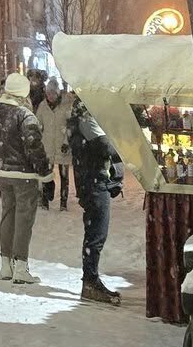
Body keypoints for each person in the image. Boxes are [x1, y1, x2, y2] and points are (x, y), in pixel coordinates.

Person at [0, 71, 53, 284]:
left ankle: (6, 265)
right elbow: (33, 146)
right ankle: (21, 267)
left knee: (7, 216)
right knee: (24, 220)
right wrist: (46, 173)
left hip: (1, 173)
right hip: (24, 175)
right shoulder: (25, 115)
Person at [68, 96, 126, 305]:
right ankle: (90, 282)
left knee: (97, 232)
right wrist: (121, 141)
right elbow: (105, 147)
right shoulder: (85, 113)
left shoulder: (90, 112)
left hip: (95, 179)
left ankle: (90, 280)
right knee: (96, 233)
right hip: (92, 181)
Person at [35, 77, 72, 210]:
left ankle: (63, 202)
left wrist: (66, 141)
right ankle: (45, 199)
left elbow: (70, 125)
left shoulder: (66, 105)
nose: (50, 96)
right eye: (48, 93)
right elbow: (38, 124)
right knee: (46, 174)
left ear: (57, 93)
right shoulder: (42, 106)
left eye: (53, 93)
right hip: (47, 145)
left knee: (64, 176)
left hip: (63, 145)